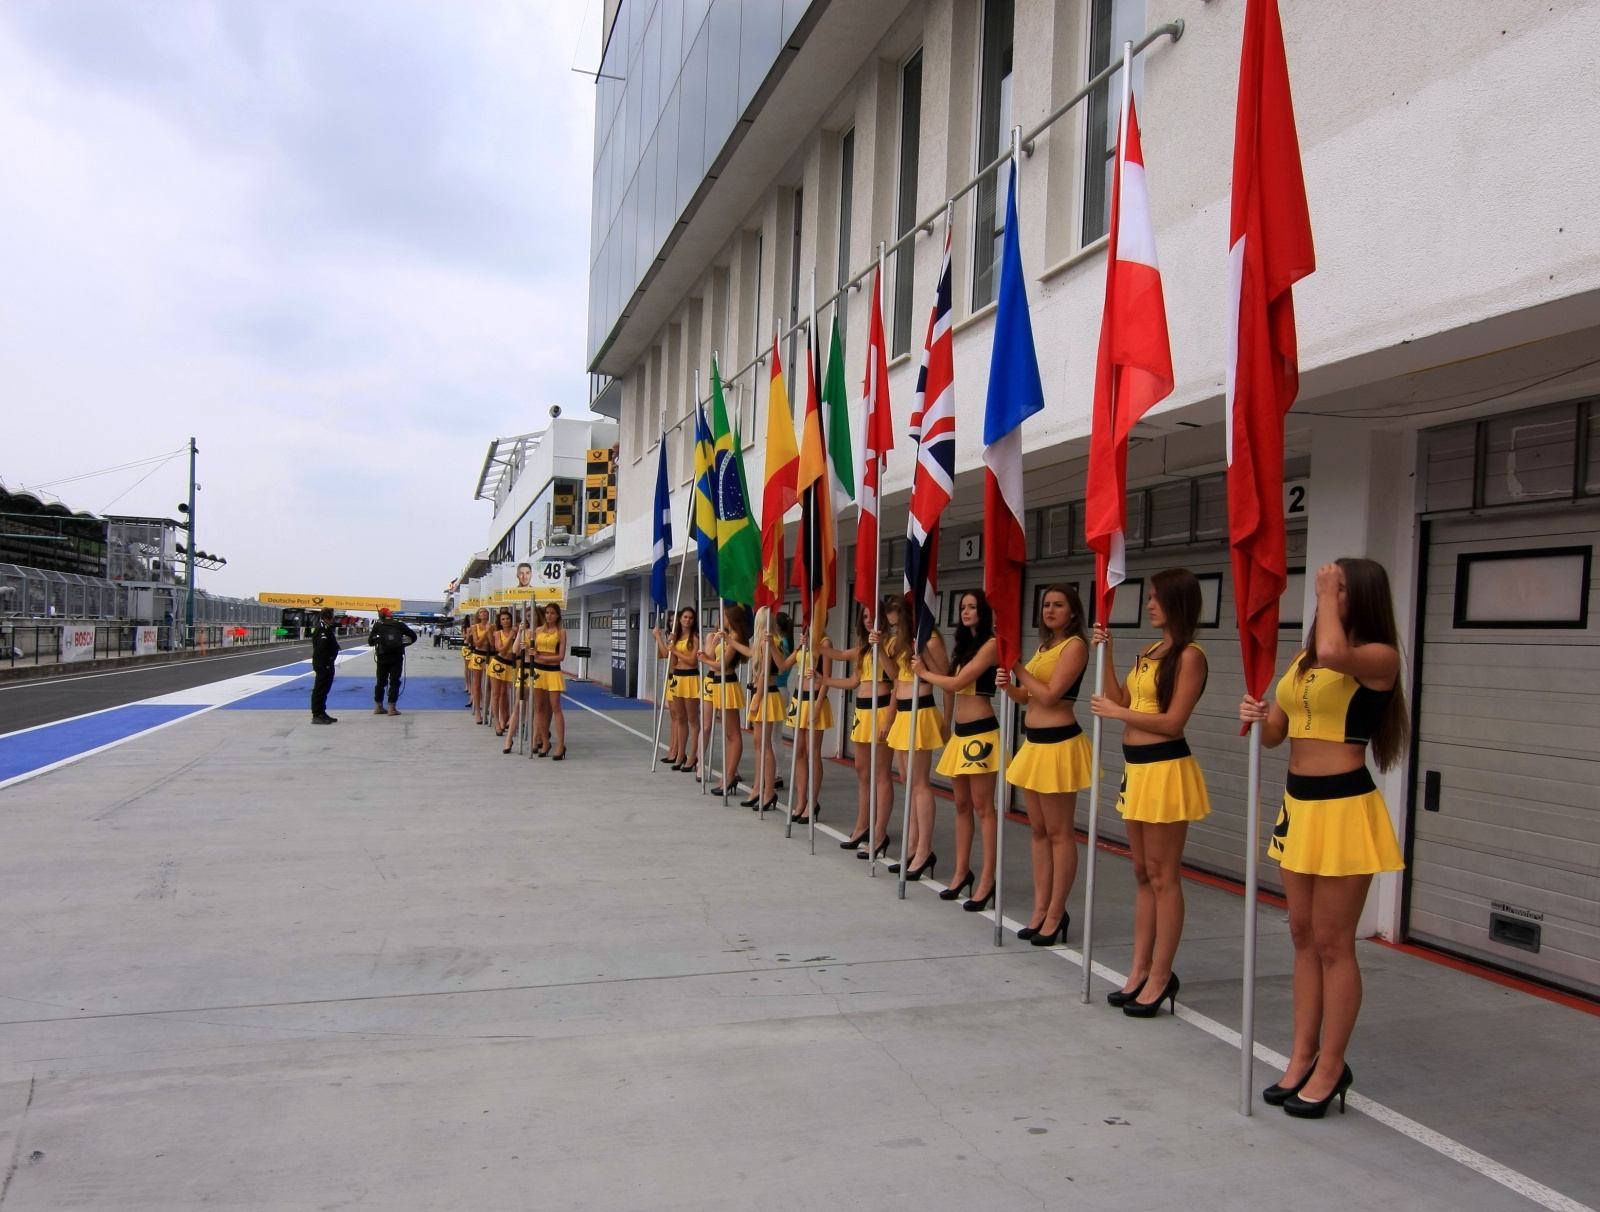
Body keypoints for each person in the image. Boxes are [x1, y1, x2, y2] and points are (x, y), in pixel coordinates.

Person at [1239, 558, 1408, 1119]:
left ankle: (1333, 1064)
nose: (1322, 597)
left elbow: (1336, 652)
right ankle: (1302, 1053)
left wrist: (1330, 596)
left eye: (1334, 590)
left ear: (1353, 596)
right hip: (1299, 807)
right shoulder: (1305, 659)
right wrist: (1260, 714)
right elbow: (1276, 737)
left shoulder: (1377, 657)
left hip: (1343, 807)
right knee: (1302, 934)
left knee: (1336, 943)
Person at [1091, 569, 1210, 1015]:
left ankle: (1162, 973)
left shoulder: (1190, 656)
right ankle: (1139, 968)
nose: (1150, 604)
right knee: (1141, 871)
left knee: (1164, 874)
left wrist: (1118, 712)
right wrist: (1107, 655)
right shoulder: (1148, 650)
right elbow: (1121, 697)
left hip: (1166, 768)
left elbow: (1173, 721)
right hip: (1136, 769)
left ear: (1177, 601)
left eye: (1157, 598)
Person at [1004, 585, 1093, 945]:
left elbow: (1052, 694)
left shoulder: (1075, 646)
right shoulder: (1044, 647)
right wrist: (1010, 686)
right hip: (1034, 744)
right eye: (1046, 605)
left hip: (1059, 745)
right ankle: (1041, 909)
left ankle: (1057, 912)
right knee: (1038, 831)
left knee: (1059, 832)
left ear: (1073, 612)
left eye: (1058, 605)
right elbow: (1028, 696)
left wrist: (1017, 669)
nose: (1050, 610)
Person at [915, 589, 1001, 911]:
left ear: (984, 610)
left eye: (972, 606)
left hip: (981, 733)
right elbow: (951, 677)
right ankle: (961, 871)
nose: (966, 612)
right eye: (963, 607)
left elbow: (957, 682)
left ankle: (988, 879)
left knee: (983, 808)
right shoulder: (962, 646)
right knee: (962, 806)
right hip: (963, 734)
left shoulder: (991, 645)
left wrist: (923, 673)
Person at [817, 599, 896, 860]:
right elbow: (843, 664)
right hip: (861, 711)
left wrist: (889, 720)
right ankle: (862, 825)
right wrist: (823, 675)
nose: (869, 620)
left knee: (881, 774)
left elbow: (897, 678)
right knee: (862, 772)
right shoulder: (863, 648)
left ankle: (880, 832)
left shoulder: (892, 645)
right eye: (864, 617)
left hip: (882, 709)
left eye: (873, 616)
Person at [876, 595, 947, 880]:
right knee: (907, 783)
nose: (894, 629)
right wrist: (880, 649)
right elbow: (894, 678)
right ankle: (912, 846)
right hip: (903, 714)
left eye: (896, 624)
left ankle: (923, 849)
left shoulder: (928, 642)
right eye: (891, 626)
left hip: (921, 712)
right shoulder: (897, 644)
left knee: (919, 784)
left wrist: (947, 722)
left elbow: (947, 682)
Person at [734, 607, 793, 811]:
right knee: (760, 743)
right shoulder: (770, 642)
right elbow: (752, 654)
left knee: (764, 745)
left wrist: (756, 700)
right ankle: (760, 788)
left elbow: (764, 674)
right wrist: (732, 641)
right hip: (769, 694)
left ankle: (767, 791)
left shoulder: (768, 643)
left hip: (766, 694)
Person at [699, 604, 748, 797]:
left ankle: (729, 776)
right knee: (729, 734)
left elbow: (722, 664)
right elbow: (711, 657)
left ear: (731, 617)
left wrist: (705, 661)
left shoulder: (735, 638)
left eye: (724, 615)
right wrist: (713, 642)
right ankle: (728, 774)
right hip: (719, 683)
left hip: (727, 683)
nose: (722, 617)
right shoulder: (724, 636)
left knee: (733, 734)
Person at [786, 630, 833, 825]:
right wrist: (798, 646)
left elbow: (827, 679)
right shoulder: (803, 641)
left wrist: (817, 706)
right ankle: (800, 801)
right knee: (799, 752)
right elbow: (784, 666)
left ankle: (812, 802)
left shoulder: (825, 643)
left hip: (814, 700)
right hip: (799, 698)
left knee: (813, 753)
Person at [651, 607, 702, 772]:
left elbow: (693, 661)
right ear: (680, 619)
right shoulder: (676, 637)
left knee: (693, 719)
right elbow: (670, 660)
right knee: (680, 719)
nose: (687, 620)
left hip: (690, 678)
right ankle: (680, 754)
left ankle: (693, 756)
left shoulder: (694, 638)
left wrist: (676, 651)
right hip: (677, 678)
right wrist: (669, 645)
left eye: (691, 618)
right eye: (685, 617)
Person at [530, 602, 568, 759]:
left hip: (553, 672)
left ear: (557, 615)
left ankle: (560, 745)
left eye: (552, 613)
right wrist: (531, 651)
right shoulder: (538, 630)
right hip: (539, 671)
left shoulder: (561, 632)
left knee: (555, 707)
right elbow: (533, 652)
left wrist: (540, 657)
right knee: (538, 707)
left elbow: (560, 657)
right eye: (547, 613)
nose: (549, 616)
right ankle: (545, 741)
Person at [367, 607, 417, 716]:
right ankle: (392, 708)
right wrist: (403, 645)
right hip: (396, 656)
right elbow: (413, 636)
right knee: (394, 681)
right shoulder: (399, 625)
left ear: (381, 616)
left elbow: (370, 642)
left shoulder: (377, 625)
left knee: (380, 681)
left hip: (382, 656)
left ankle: (378, 707)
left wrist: (378, 640)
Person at [487, 608, 518, 736]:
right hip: (499, 663)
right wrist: (510, 636)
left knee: (511, 693)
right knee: (497, 693)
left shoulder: (517, 632)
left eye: (507, 619)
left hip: (511, 665)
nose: (506, 621)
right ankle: (497, 723)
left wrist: (515, 634)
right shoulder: (498, 633)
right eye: (503, 619)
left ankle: (507, 718)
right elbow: (500, 649)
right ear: (500, 622)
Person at [309, 606, 340, 724]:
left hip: (326, 662)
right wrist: (327, 662)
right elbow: (322, 648)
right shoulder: (323, 629)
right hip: (323, 663)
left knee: (324, 689)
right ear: (328, 616)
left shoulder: (326, 627)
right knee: (320, 689)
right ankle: (317, 714)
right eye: (332, 615)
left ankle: (322, 712)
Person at [465, 607, 492, 724]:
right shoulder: (475, 627)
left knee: (490, 684)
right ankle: (478, 712)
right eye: (481, 612)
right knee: (477, 683)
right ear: (478, 616)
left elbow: (493, 643)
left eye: (485, 612)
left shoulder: (492, 626)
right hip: (479, 655)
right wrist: (486, 632)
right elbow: (477, 643)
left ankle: (486, 708)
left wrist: (489, 632)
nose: (483, 613)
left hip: (490, 655)